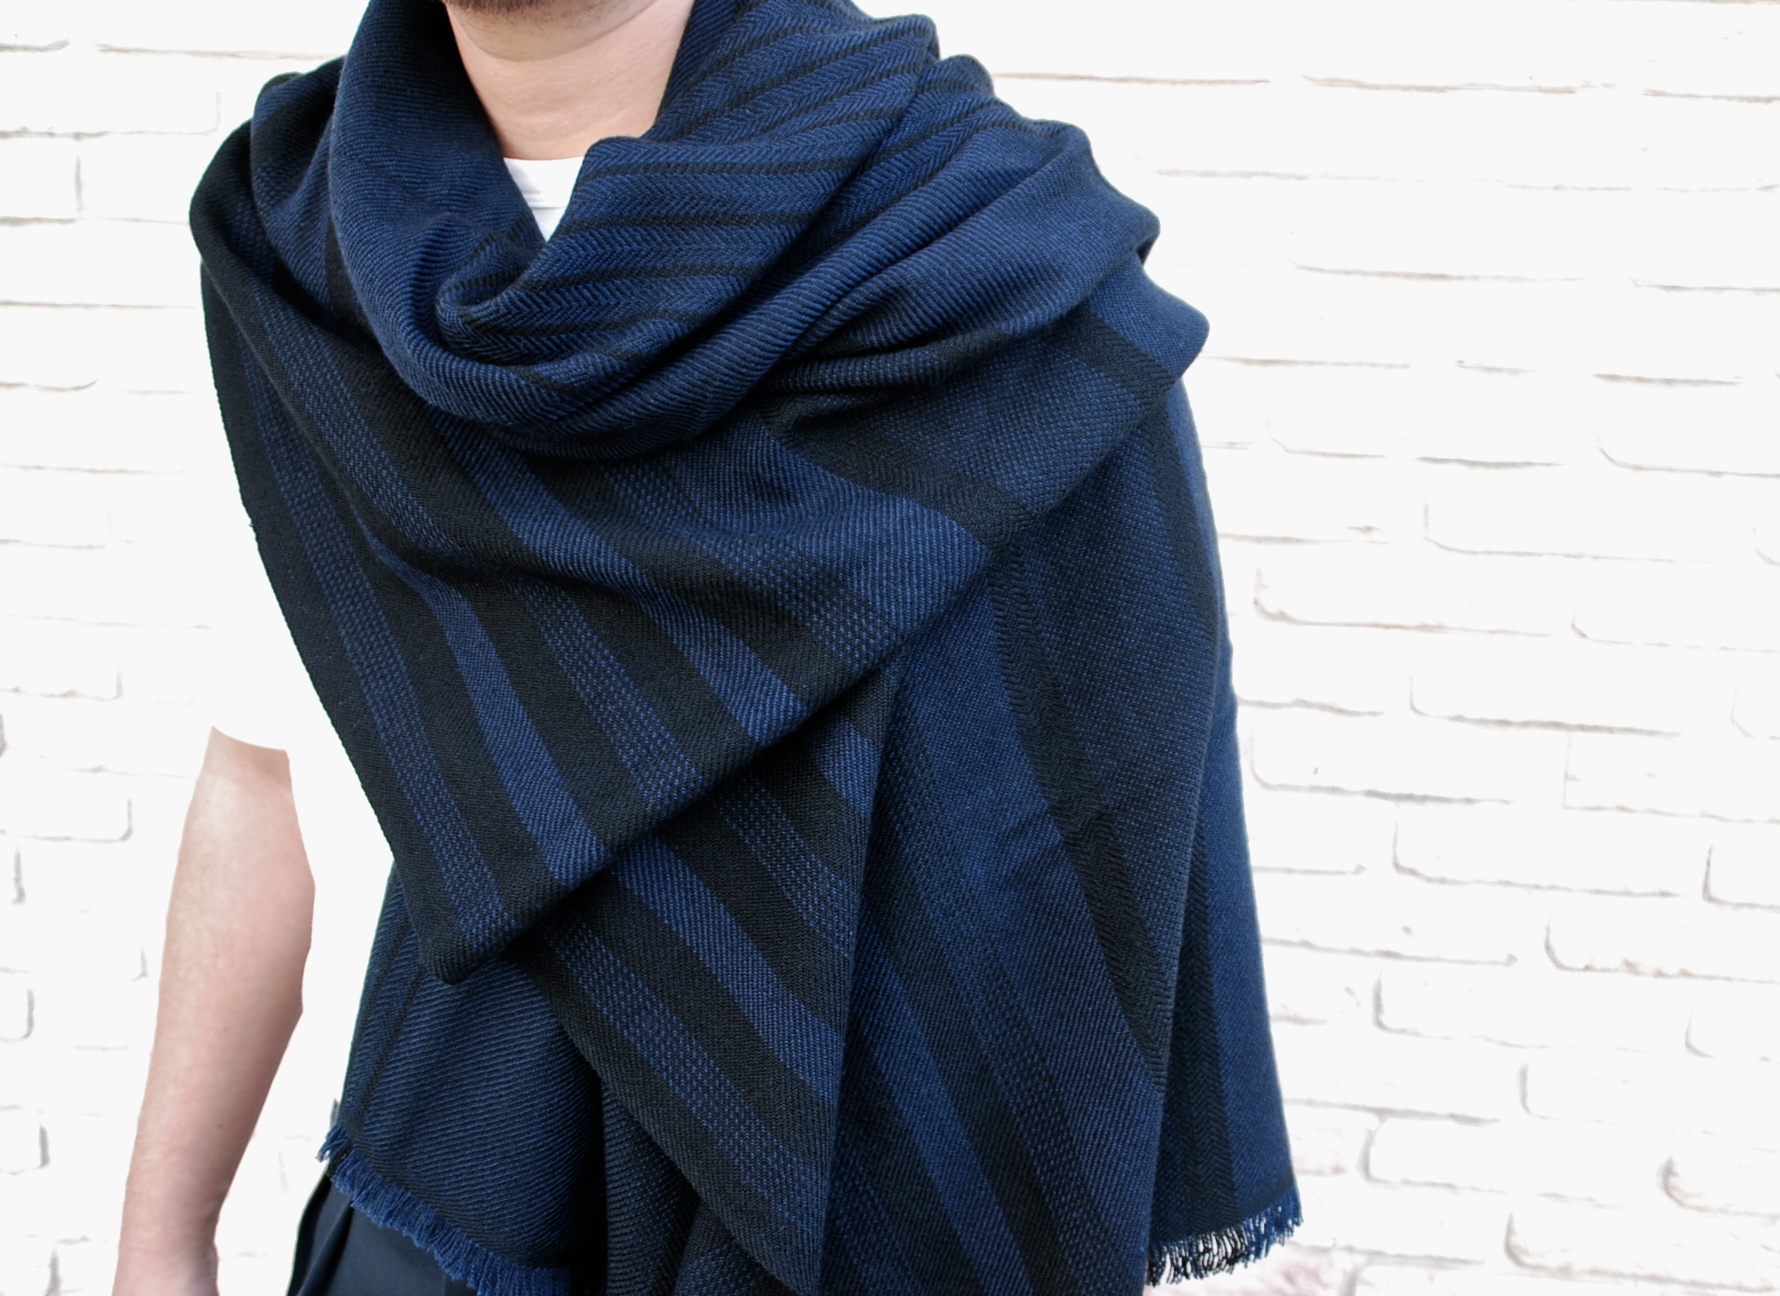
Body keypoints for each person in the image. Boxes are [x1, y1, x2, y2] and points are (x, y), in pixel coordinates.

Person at [114, 0, 1298, 1293]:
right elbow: (263, 765)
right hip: (438, 1210)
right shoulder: (298, 265)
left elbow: (1084, 853)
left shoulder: (1001, 278)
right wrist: (162, 1241)